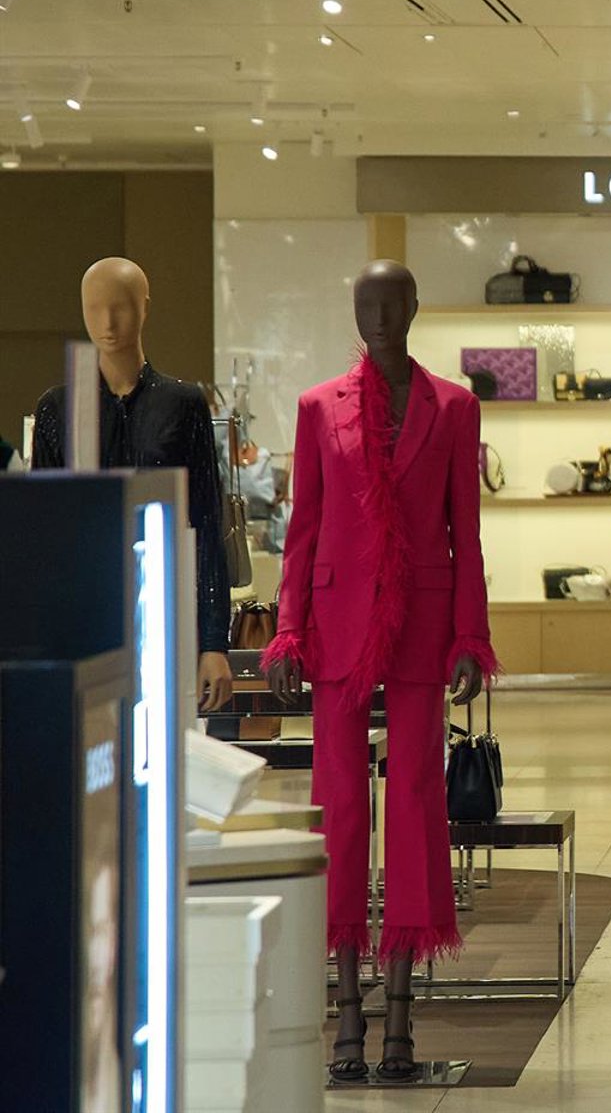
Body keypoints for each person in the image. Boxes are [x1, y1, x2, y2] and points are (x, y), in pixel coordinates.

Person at [263, 260, 495, 1082]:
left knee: (417, 802)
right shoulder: (317, 407)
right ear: (354, 310)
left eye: (393, 303)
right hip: (338, 621)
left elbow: (465, 530)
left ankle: (400, 1010)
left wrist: (471, 633)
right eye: (367, 303)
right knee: (338, 808)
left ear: (415, 307)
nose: (381, 317)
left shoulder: (454, 407)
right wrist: (288, 629)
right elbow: (304, 527)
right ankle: (347, 1011)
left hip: (422, 620)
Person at [32, 256, 233, 711]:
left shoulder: (183, 404)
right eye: (94, 307)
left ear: (145, 307)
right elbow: (44, 535)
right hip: (85, 617)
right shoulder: (58, 410)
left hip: (164, 607)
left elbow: (205, 520)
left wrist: (213, 642)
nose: (107, 321)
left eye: (120, 306)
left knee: (161, 736)